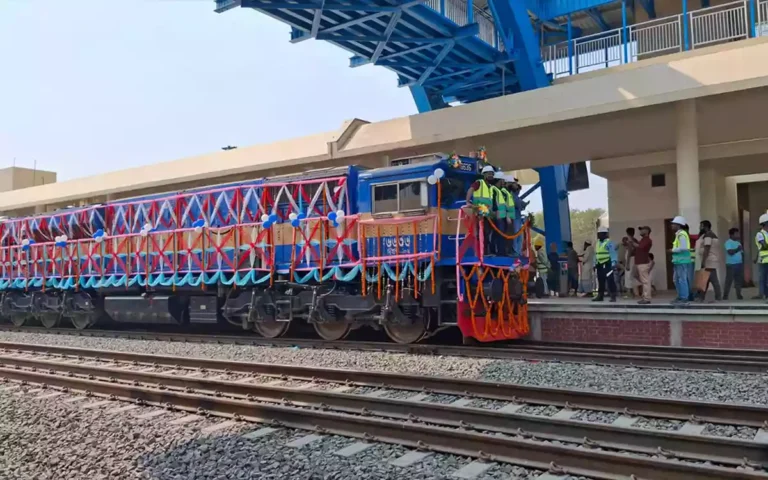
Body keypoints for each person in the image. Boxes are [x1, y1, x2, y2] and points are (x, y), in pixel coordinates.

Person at [466, 166, 497, 256]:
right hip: (479, 211)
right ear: (484, 174)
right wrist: (468, 201)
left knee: (487, 233)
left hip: (487, 212)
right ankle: (481, 252)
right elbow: (471, 189)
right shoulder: (479, 183)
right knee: (482, 232)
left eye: (492, 174)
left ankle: (485, 252)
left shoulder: (490, 187)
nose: (491, 175)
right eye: (489, 173)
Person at [695, 220, 722, 302]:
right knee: (706, 280)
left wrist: (703, 262)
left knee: (711, 280)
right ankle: (702, 297)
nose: (700, 228)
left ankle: (717, 297)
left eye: (701, 226)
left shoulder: (708, 236)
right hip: (711, 260)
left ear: (706, 227)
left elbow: (707, 249)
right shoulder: (712, 235)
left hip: (709, 260)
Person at [669, 216, 692, 304]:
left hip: (682, 260)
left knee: (682, 279)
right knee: (676, 280)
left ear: (678, 225)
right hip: (678, 260)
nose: (672, 226)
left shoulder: (682, 234)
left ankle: (684, 298)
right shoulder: (679, 234)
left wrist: (672, 250)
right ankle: (680, 296)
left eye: (673, 224)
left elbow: (684, 248)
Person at [593, 226, 618, 302]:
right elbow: (596, 254)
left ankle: (613, 295)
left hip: (607, 263)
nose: (598, 235)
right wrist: (594, 263)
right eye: (598, 234)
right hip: (599, 264)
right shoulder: (597, 243)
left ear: (604, 234)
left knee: (610, 280)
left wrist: (614, 263)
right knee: (600, 280)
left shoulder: (609, 243)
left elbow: (613, 253)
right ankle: (600, 296)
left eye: (600, 233)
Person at [633, 226, 653, 304]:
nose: (640, 231)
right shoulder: (643, 240)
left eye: (642, 230)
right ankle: (645, 297)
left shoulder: (647, 240)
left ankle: (647, 298)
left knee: (645, 281)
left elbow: (640, 247)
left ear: (647, 231)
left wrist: (631, 242)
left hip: (643, 262)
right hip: (640, 262)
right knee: (644, 281)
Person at [723, 227, 744, 301]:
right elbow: (730, 252)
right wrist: (737, 249)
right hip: (731, 264)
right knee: (729, 281)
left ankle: (739, 294)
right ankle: (725, 295)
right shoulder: (728, 242)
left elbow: (741, 253)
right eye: (736, 233)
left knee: (738, 281)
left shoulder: (738, 243)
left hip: (739, 264)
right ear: (731, 235)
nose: (738, 235)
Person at [509, 178, 528, 256]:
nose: (516, 185)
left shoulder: (516, 195)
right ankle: (515, 251)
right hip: (514, 216)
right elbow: (516, 203)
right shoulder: (511, 194)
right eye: (515, 183)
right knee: (516, 234)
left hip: (518, 216)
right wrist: (522, 205)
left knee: (519, 235)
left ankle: (518, 251)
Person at [756, 213, 768, 301]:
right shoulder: (760, 234)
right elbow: (764, 246)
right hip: (764, 260)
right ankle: (765, 295)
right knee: (763, 279)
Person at [683, 224, 696, 301]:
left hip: (690, 259)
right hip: (684, 259)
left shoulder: (691, 238)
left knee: (689, 277)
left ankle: (690, 294)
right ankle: (688, 294)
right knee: (686, 278)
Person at [624, 228, 638, 298]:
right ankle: (634, 292)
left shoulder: (630, 241)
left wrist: (627, 263)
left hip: (630, 259)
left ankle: (629, 292)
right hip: (634, 258)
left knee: (628, 276)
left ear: (627, 233)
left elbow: (629, 251)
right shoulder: (635, 240)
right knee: (632, 275)